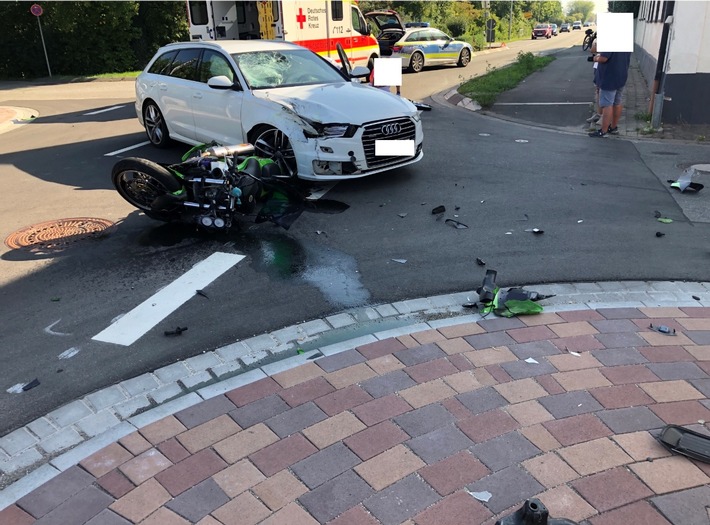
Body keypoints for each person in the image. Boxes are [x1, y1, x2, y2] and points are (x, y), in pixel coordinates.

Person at [588, 48, 631, 137]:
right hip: (621, 74)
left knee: (607, 104)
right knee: (617, 102)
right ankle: (613, 127)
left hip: (609, 76)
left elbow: (604, 58)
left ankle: (603, 131)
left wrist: (595, 58)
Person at [586, 40, 602, 125]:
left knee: (604, 93)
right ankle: (599, 114)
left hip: (604, 67)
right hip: (597, 67)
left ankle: (604, 116)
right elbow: (592, 50)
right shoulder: (598, 38)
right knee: (598, 91)